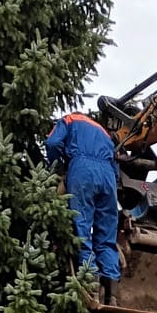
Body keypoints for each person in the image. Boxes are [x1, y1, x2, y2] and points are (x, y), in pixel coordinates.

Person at [45, 110, 121, 295]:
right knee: (107, 234)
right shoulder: (103, 132)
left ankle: (90, 281)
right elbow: (116, 166)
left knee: (82, 227)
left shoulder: (69, 119)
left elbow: (52, 143)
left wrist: (57, 166)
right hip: (108, 176)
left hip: (82, 169)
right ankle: (111, 293)